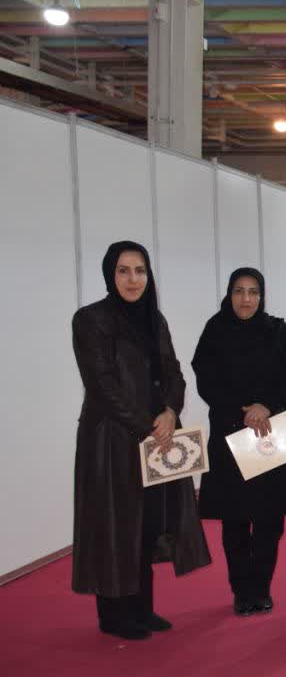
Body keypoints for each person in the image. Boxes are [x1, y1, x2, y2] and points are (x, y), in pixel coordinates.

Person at [71, 241, 211, 640]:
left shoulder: (154, 318)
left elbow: (173, 372)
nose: (133, 279)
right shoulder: (90, 320)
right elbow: (102, 386)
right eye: (123, 271)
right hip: (111, 441)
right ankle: (114, 615)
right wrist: (148, 426)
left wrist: (169, 411)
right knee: (116, 525)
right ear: (109, 275)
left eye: (140, 270)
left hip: (157, 437)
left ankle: (142, 608)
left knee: (149, 522)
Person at [192, 267, 286, 617]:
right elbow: (205, 380)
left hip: (269, 431)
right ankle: (241, 590)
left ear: (261, 296)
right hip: (229, 432)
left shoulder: (277, 332)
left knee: (270, 519)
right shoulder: (215, 330)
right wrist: (241, 411)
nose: (246, 298)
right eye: (239, 291)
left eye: (253, 292)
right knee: (235, 518)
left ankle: (261, 587)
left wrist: (265, 406)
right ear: (229, 294)